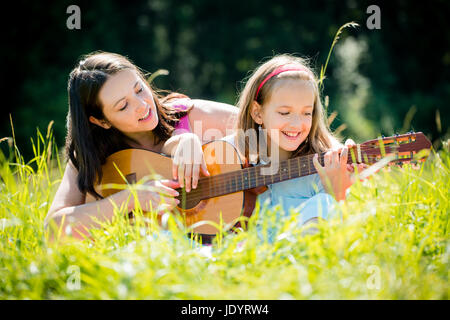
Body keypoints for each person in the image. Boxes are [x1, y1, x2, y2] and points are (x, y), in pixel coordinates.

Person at [44, 51, 238, 239]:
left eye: (139, 89)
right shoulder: (92, 156)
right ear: (101, 121)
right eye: (123, 106)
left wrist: (189, 138)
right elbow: (53, 231)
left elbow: (263, 128)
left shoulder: (191, 115)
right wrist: (130, 199)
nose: (142, 105)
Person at [224, 54, 366, 241]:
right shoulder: (232, 152)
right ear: (258, 113)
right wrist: (184, 141)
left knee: (325, 202)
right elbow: (185, 164)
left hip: (296, 255)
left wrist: (338, 191)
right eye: (285, 112)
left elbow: (346, 233)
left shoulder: (326, 164)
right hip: (242, 254)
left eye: (307, 113)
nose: (296, 124)